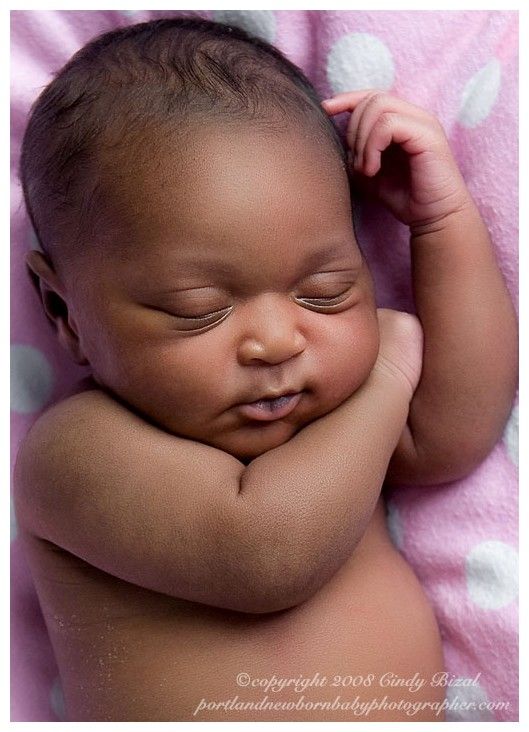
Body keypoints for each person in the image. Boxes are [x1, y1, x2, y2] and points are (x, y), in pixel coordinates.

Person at [13, 17, 517, 722]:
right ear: (63, 313)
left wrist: (440, 222)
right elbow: (262, 556)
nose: (278, 342)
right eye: (198, 310)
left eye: (325, 293)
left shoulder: (334, 424)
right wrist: (390, 369)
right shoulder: (74, 454)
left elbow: (458, 429)